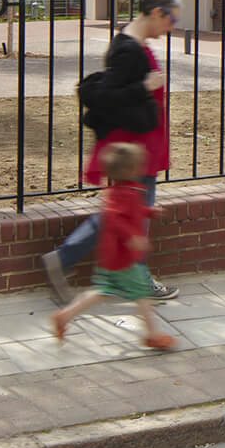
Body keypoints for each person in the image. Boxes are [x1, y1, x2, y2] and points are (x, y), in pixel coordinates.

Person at [43, 0, 180, 305]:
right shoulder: (127, 49)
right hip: (134, 150)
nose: (171, 26)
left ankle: (124, 278)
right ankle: (67, 259)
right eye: (171, 19)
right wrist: (144, 87)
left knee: (128, 213)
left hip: (142, 147)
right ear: (156, 13)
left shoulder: (134, 45)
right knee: (127, 214)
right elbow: (106, 96)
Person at [49, 141, 177, 351]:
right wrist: (132, 237)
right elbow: (114, 218)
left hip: (112, 258)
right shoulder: (125, 194)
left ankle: (64, 316)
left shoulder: (124, 191)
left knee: (101, 291)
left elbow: (131, 212)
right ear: (133, 170)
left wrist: (149, 212)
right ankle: (153, 335)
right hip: (124, 259)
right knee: (142, 294)